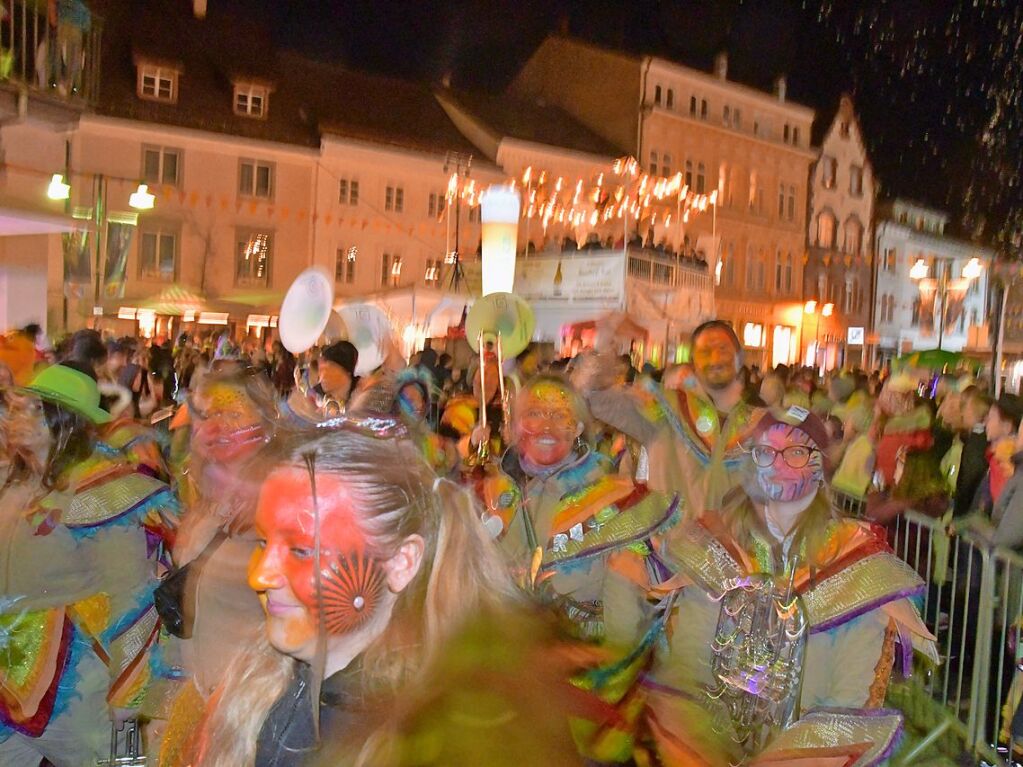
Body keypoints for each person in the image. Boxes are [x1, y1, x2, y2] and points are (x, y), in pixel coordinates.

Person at [172, 420, 521, 766]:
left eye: (302, 551)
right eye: (264, 542)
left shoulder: (433, 741)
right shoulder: (256, 686)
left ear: (401, 562)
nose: (261, 575)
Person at [643, 406, 936, 765]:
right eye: (766, 452)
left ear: (821, 468)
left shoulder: (857, 565)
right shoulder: (715, 549)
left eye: (798, 452)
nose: (780, 464)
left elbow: (848, 702)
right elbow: (689, 663)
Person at [0, 362, 178, 766]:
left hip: (79, 691)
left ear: (58, 420)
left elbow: (134, 602)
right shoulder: (16, 480)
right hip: (10, 686)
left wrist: (127, 708)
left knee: (116, 762)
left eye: (27, 409)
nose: (12, 418)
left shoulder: (100, 492)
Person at [478, 375, 679, 645]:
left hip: (578, 659)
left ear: (578, 428)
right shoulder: (498, 493)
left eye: (560, 416)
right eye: (534, 413)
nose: (546, 426)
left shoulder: (610, 497)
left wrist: (613, 669)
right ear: (516, 426)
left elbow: (625, 618)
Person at [574, 320, 764, 514]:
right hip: (671, 541)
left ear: (740, 358)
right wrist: (605, 341)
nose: (715, 359)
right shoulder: (662, 407)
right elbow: (593, 396)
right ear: (693, 362)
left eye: (723, 349)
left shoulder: (762, 425)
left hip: (735, 543)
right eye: (705, 352)